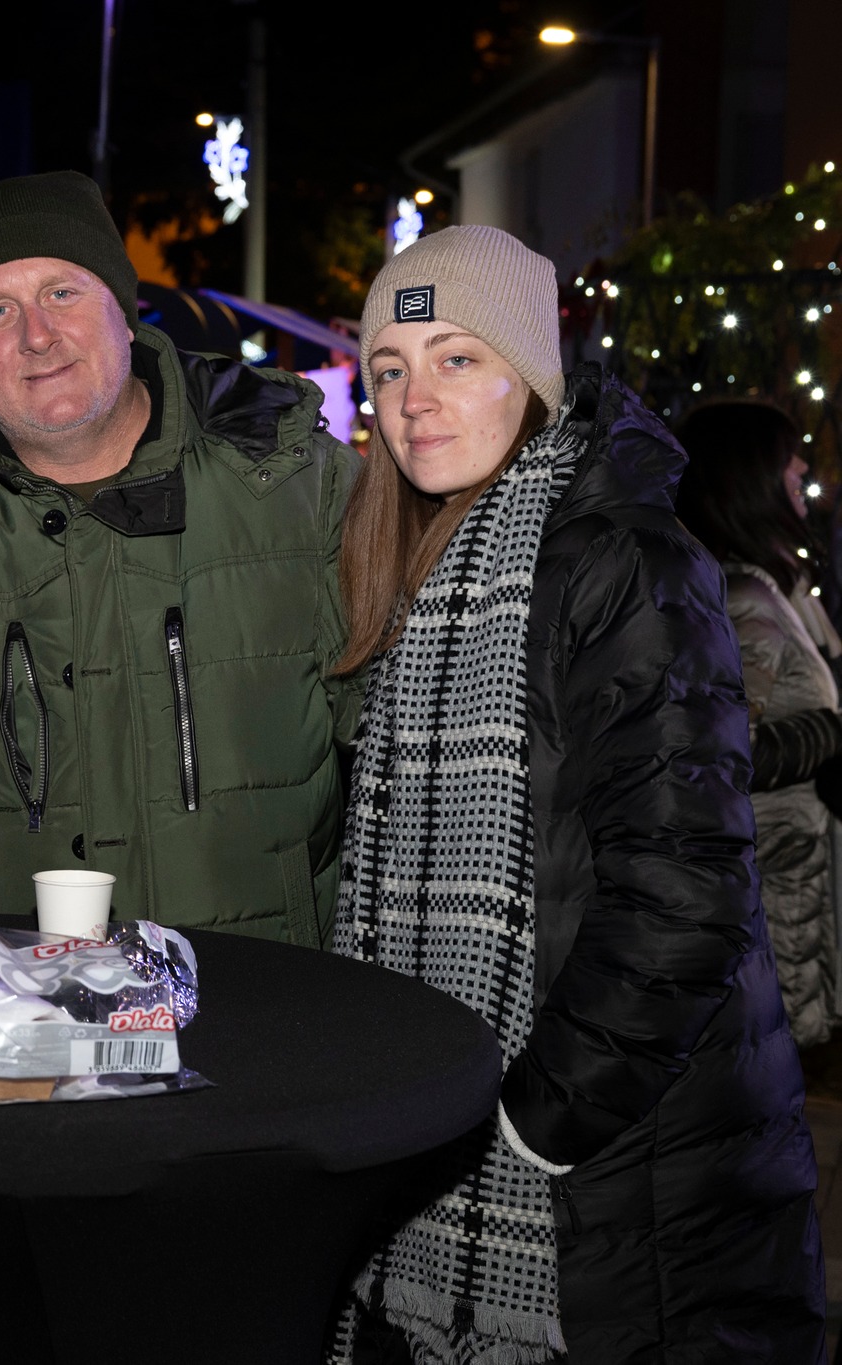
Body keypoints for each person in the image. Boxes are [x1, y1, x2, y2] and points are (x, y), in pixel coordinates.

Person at [328, 225, 822, 1362]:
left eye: (457, 358)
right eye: (389, 371)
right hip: (486, 1125)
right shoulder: (425, 565)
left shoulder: (624, 560)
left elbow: (684, 895)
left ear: (532, 378)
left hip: (615, 1173)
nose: (414, 400)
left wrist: (532, 1121)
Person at [0, 170, 360, 935]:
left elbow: (395, 760)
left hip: (257, 985)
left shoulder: (304, 491)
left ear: (124, 314)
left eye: (62, 292)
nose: (36, 335)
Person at [676, 401, 842, 1048]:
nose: (802, 467)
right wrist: (830, 733)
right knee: (774, 1056)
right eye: (787, 456)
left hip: (788, 869)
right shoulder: (745, 598)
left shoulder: (768, 585)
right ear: (749, 476)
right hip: (774, 876)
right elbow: (722, 750)